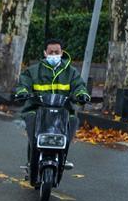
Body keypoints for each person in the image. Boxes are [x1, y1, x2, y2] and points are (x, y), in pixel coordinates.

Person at [13, 39, 90, 176]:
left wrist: (82, 95)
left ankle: (63, 155)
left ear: (62, 53)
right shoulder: (33, 71)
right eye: (51, 52)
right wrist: (22, 92)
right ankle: (32, 159)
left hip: (63, 111)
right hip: (36, 109)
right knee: (32, 126)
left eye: (57, 52)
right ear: (45, 53)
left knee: (73, 120)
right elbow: (23, 84)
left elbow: (79, 86)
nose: (53, 54)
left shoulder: (71, 72)